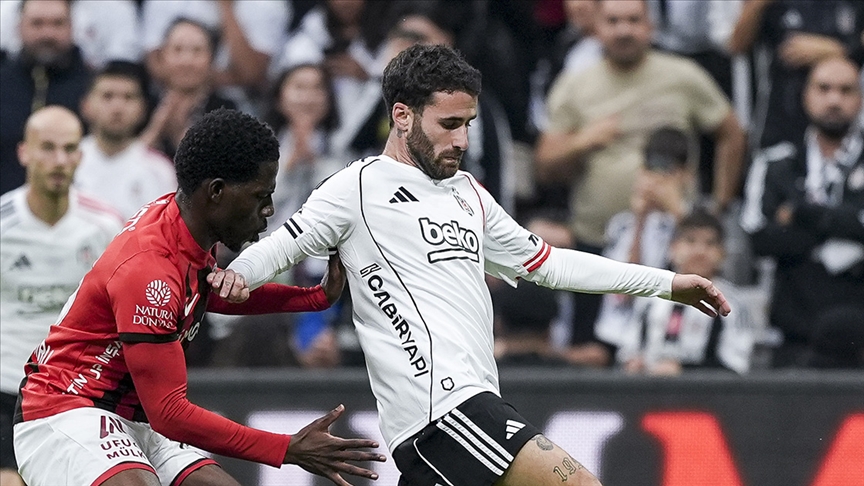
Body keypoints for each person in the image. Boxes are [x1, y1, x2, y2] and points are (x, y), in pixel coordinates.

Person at [210, 44, 731, 486]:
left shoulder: (468, 194)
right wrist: (235, 276)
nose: (461, 140)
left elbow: (551, 265)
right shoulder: (358, 187)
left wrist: (667, 284)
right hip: (444, 410)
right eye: (449, 124)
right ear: (402, 115)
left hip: (457, 416)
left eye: (468, 124)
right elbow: (285, 244)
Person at [13, 108, 385, 486]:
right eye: (260, 195)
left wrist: (313, 297)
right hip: (65, 407)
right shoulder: (149, 269)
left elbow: (199, 294)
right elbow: (170, 412)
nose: (269, 210)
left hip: (133, 416)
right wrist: (286, 448)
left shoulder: (184, 226)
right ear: (217, 192)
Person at [534, 0, 746, 356]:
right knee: (595, 351)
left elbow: (732, 133)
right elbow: (544, 163)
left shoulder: (683, 76)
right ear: (597, 28)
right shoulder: (575, 84)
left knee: (670, 349)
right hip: (597, 244)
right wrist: (583, 140)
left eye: (634, 20)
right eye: (613, 21)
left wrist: (718, 205)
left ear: (651, 27)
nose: (624, 30)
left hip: (673, 247)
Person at [0, 106, 123, 486]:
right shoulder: (3, 223)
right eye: (47, 148)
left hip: (75, 391)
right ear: (24, 152)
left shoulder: (105, 226)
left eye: (69, 149)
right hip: (5, 387)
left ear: (80, 156)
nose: (59, 160)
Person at [740, 56, 864, 367]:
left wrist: (800, 213)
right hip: (793, 329)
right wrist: (846, 224)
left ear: (860, 98)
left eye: (845, 90)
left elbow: (784, 232)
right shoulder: (776, 162)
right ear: (806, 95)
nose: (834, 100)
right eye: (824, 88)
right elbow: (760, 238)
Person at [594, 127, 692, 361]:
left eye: (667, 172)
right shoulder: (623, 225)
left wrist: (676, 211)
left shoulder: (693, 220)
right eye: (651, 169)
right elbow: (622, 292)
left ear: (685, 175)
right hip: (620, 334)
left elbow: (697, 271)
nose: (657, 180)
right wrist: (640, 220)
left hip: (670, 332)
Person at [617, 211, 755, 375]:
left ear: (722, 253)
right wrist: (634, 363)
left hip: (703, 391)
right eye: (690, 241)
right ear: (673, 248)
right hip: (648, 388)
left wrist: (683, 371)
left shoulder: (732, 304)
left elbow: (736, 367)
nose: (700, 251)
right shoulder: (649, 296)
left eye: (710, 244)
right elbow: (627, 350)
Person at [728, 0, 864, 149]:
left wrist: (839, 51)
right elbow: (736, 46)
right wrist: (757, 4)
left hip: (844, 116)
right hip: (782, 113)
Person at [0, 0, 92, 195]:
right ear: (19, 28)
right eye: (37, 23)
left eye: (57, 23)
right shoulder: (3, 83)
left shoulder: (93, 87)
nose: (47, 34)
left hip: (77, 205)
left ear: (72, 28)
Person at [77, 61, 177, 220]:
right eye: (107, 96)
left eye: (128, 97)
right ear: (86, 105)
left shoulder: (160, 170)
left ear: (143, 109)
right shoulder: (66, 160)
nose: (117, 107)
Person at [140, 18, 236, 160]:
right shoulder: (143, 104)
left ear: (211, 59)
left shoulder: (226, 110)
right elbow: (122, 165)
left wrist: (179, 134)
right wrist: (156, 129)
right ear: (162, 57)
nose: (186, 61)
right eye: (177, 50)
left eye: (197, 51)